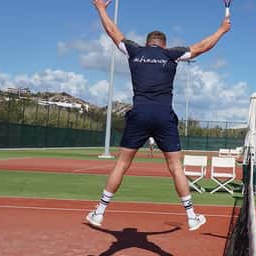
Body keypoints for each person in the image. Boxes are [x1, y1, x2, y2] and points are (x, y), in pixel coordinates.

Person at [86, 0, 231, 231]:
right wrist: (222, 31)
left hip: (139, 113)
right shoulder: (171, 55)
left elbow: (113, 32)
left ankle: (99, 212)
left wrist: (101, 9)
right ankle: (192, 216)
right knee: (175, 167)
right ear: (164, 45)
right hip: (164, 116)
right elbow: (203, 46)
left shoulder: (134, 51)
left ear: (147, 43)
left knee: (122, 164)